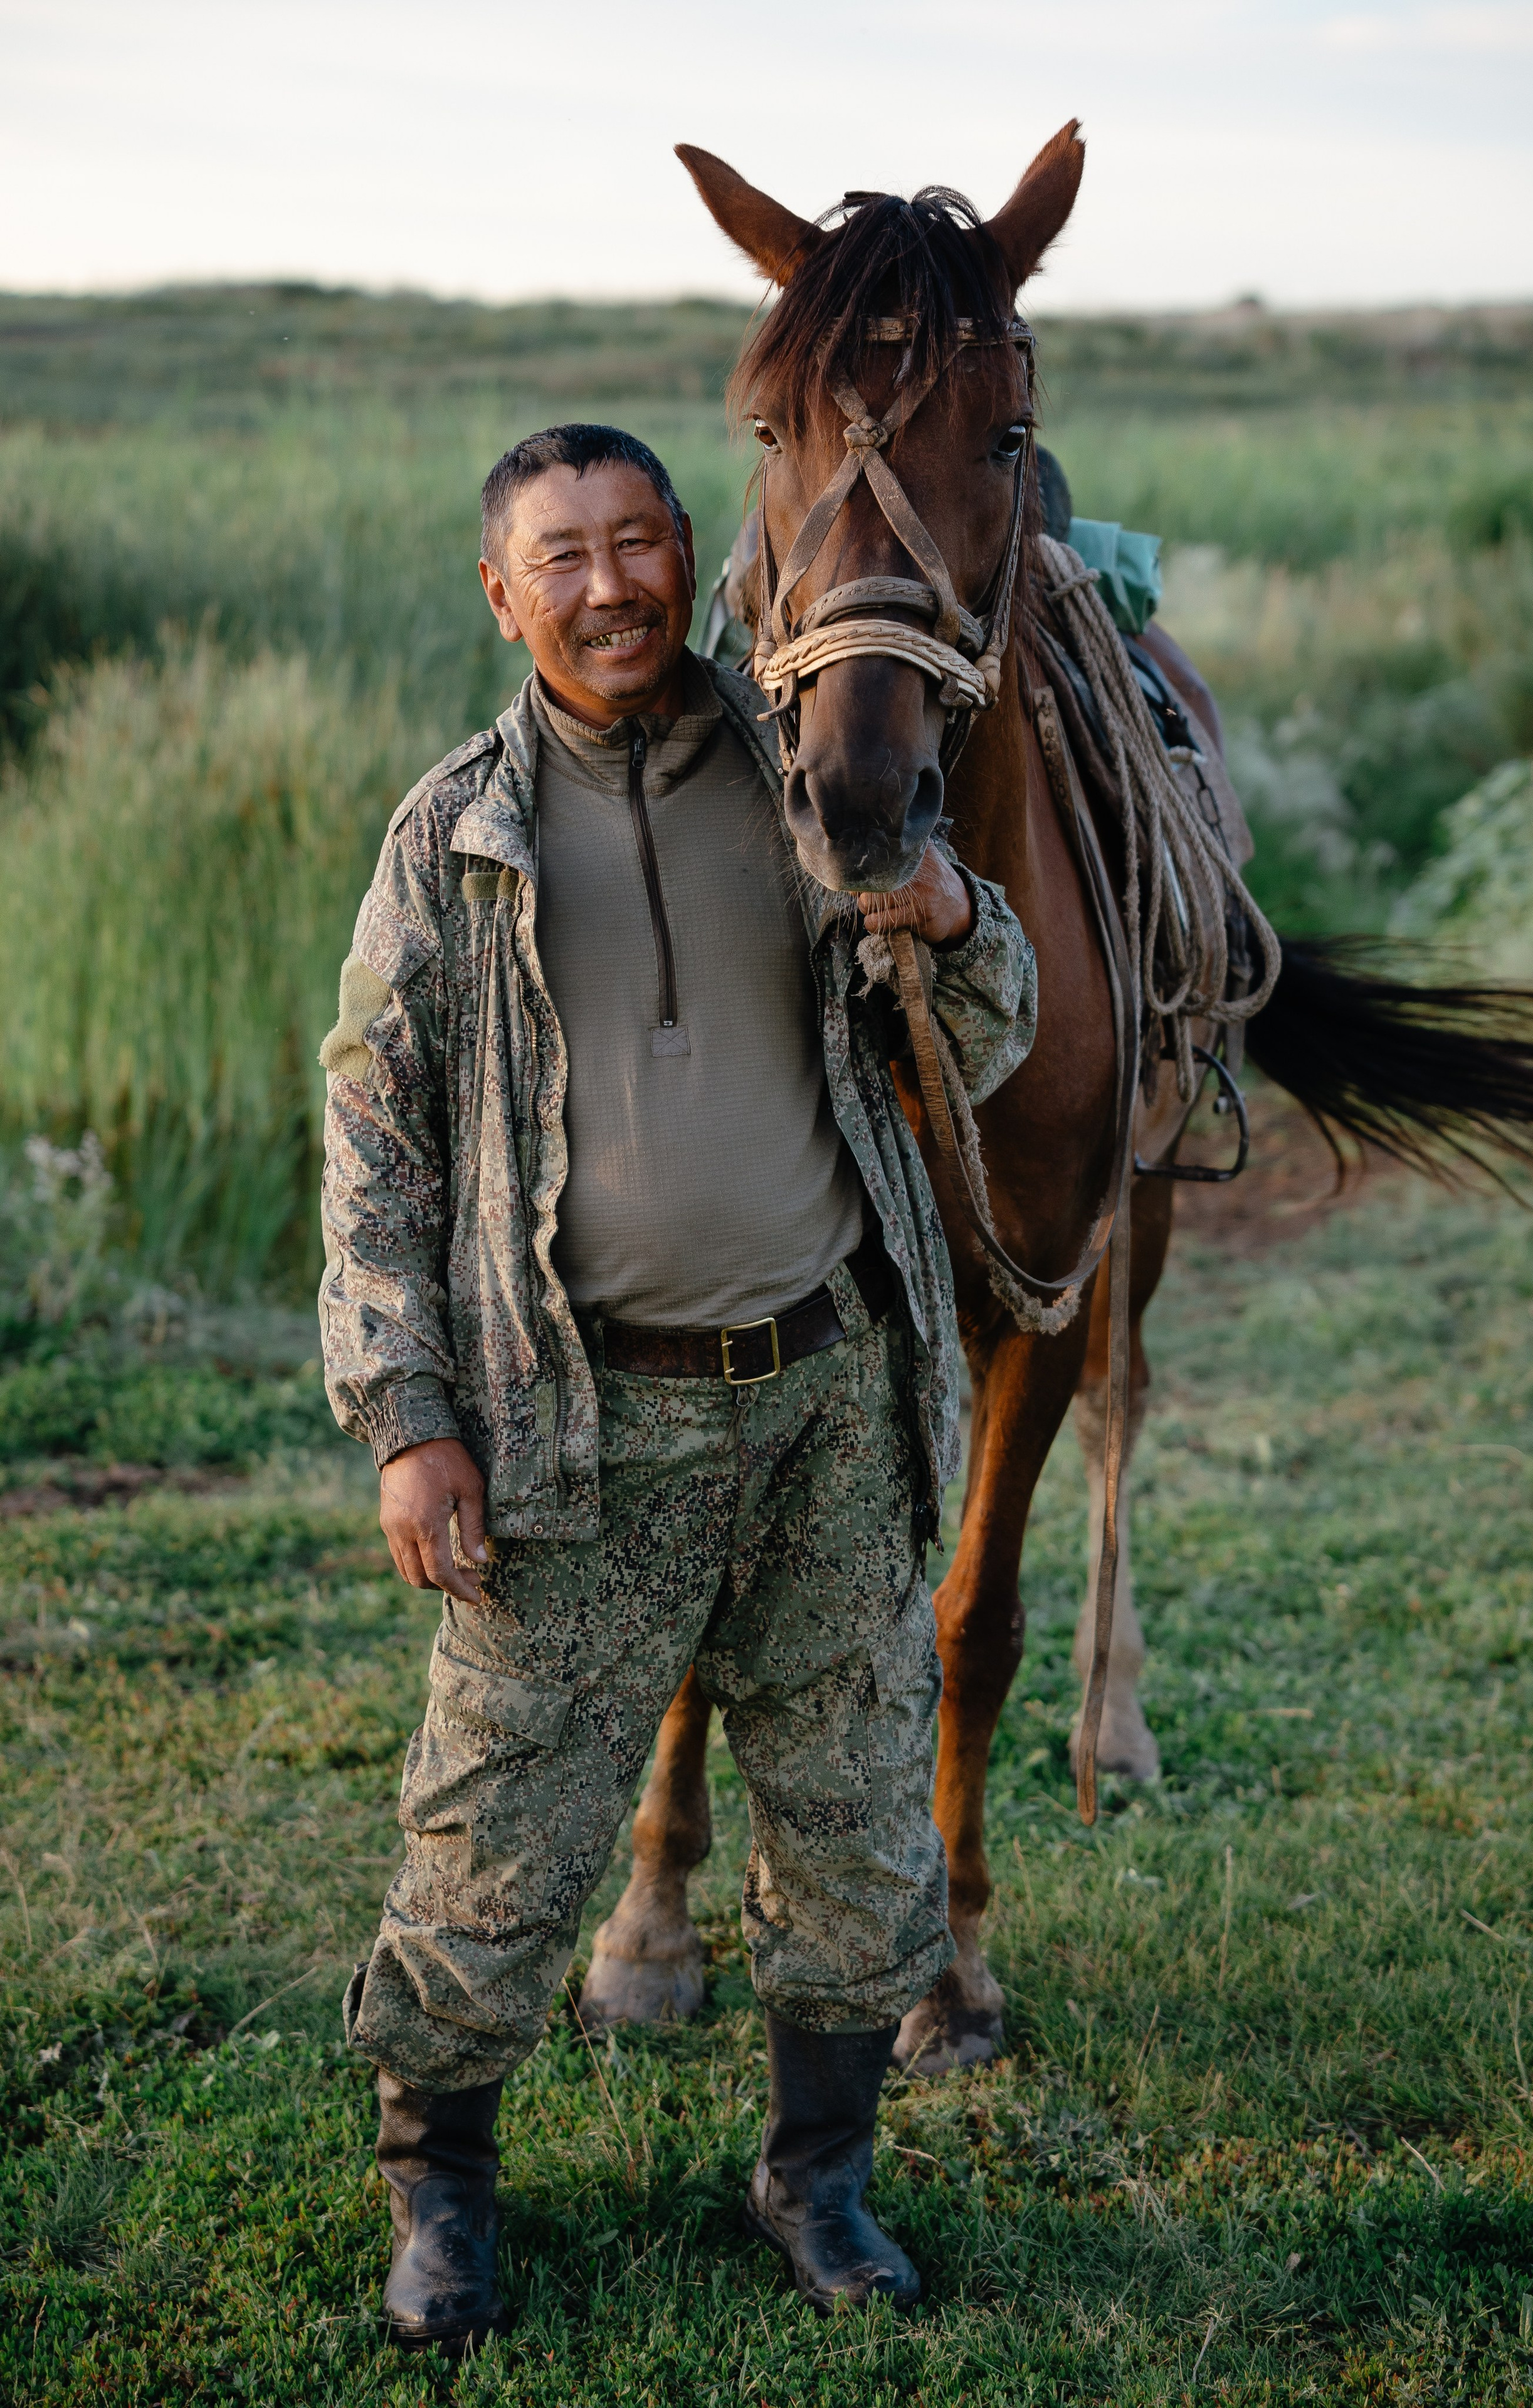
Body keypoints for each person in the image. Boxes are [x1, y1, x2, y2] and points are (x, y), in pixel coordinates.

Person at [317, 422, 1038, 2350]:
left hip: (821, 1402)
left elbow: (994, 1023)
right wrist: (406, 1408)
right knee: (489, 1833)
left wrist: (956, 921)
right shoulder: (451, 833)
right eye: (563, 554)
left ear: (692, 548)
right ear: (502, 589)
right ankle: (443, 2201)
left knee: (861, 1818)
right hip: (575, 1430)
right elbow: (371, 1130)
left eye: (641, 541)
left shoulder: (815, 778)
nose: (612, 582)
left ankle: (822, 2183)